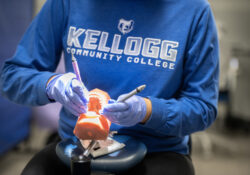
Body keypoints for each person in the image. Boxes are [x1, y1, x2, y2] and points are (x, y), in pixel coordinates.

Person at [0, 0, 219, 174]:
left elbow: (203, 108)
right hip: (78, 144)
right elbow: (12, 77)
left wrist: (148, 111)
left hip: (156, 151)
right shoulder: (67, 3)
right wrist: (51, 85)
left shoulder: (194, 11)